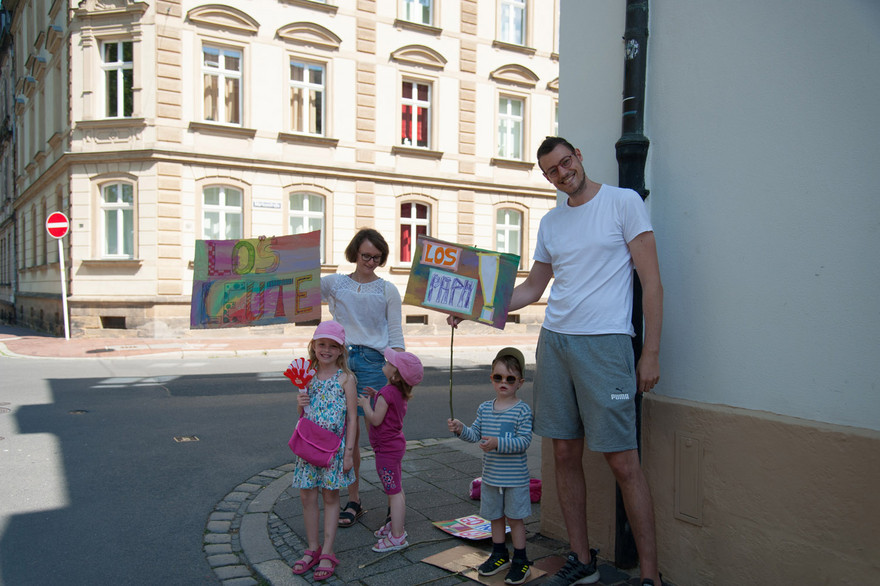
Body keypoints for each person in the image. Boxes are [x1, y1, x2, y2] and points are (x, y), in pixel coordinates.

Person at [450, 136, 664, 586]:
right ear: (546, 177)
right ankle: (581, 558)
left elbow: (653, 282)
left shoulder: (623, 203)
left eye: (566, 162)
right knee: (564, 452)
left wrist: (650, 353)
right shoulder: (551, 223)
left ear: (579, 157)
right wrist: (475, 306)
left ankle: (650, 576)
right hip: (556, 342)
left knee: (623, 461)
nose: (563, 173)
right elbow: (531, 289)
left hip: (606, 346)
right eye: (552, 170)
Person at [320, 228, 405, 528]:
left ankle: (394, 499)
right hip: (342, 362)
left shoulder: (387, 290)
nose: (371, 262)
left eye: (377, 258)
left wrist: (399, 373)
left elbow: (395, 334)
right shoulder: (335, 284)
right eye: (366, 256)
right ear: (355, 252)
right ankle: (353, 499)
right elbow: (299, 290)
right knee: (348, 436)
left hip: (373, 363)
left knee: (382, 435)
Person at [447, 347, 534, 585]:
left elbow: (524, 441)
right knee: (495, 517)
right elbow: (475, 434)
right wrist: (460, 429)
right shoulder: (485, 408)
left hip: (515, 479)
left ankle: (521, 560)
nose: (503, 382)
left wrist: (498, 443)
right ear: (491, 378)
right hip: (491, 478)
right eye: (498, 377)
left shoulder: (522, 410)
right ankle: (499, 555)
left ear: (520, 382)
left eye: (510, 378)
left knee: (515, 519)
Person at [289, 321, 358, 581]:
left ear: (341, 350)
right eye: (322, 344)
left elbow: (352, 418)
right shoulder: (307, 375)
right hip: (307, 448)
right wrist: (299, 403)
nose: (326, 350)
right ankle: (312, 548)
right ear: (314, 346)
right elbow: (302, 414)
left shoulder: (346, 379)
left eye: (332, 346)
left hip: (333, 451)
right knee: (307, 497)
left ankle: (328, 550)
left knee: (330, 497)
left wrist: (349, 453)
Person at [358, 348, 423, 552]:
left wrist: (365, 404)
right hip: (395, 446)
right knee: (397, 488)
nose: (385, 363)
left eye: (388, 362)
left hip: (385, 451)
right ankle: (396, 525)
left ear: (395, 374)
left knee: (393, 491)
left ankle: (397, 536)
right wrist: (376, 396)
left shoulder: (387, 393)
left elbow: (376, 419)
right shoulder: (396, 392)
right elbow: (390, 408)